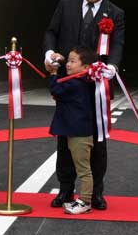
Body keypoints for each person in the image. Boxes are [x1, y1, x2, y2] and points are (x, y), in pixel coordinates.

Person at [44, 0, 124, 210]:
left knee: (97, 143)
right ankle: (65, 189)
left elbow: (118, 44)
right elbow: (51, 32)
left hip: (96, 89)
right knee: (65, 141)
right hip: (69, 86)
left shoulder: (115, 13)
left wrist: (112, 66)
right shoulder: (65, 5)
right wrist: (49, 53)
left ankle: (95, 192)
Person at [47, 45, 99, 215]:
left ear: (85, 68)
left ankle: (85, 202)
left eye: (72, 61)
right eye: (68, 60)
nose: (68, 64)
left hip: (79, 134)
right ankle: (84, 200)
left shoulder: (76, 84)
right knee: (82, 167)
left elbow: (56, 89)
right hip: (78, 132)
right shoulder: (81, 82)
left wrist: (53, 73)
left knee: (83, 169)